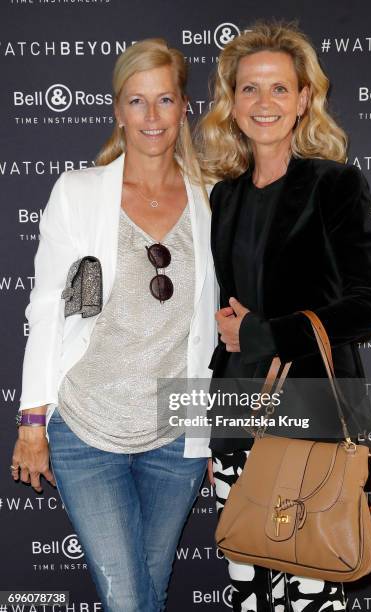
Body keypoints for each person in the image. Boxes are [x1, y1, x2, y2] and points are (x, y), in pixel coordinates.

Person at [11, 38, 218, 612]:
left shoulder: (211, 199)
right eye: (136, 101)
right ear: (117, 109)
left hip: (176, 432)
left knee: (150, 589)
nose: (151, 117)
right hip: (85, 426)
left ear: (183, 108)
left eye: (165, 100)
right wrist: (32, 421)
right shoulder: (78, 193)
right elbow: (47, 309)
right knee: (129, 599)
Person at [198, 21, 371, 612]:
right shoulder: (223, 195)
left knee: (310, 591)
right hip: (238, 417)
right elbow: (226, 316)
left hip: (312, 418)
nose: (265, 104)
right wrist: (213, 432)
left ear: (305, 98)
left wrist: (261, 333)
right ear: (232, 102)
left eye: (280, 89)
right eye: (250, 89)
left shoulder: (335, 185)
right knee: (248, 591)